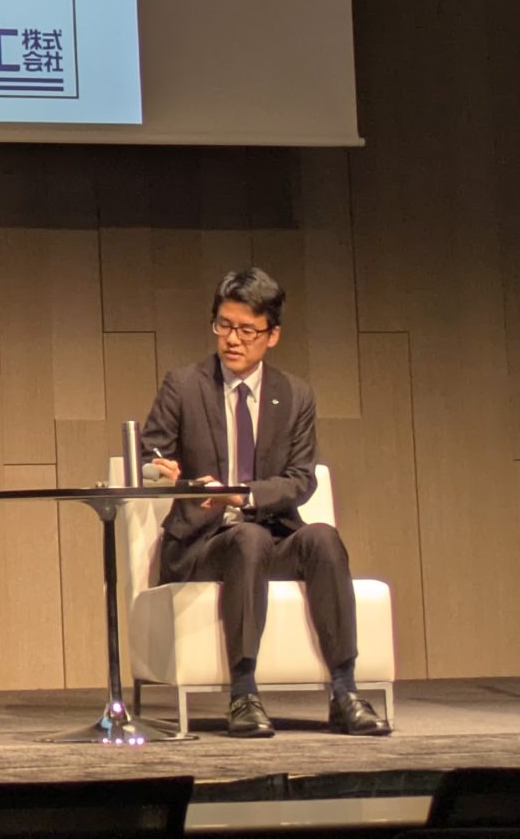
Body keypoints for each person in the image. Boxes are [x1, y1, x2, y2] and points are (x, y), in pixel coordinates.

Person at [140, 267, 390, 738]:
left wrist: (246, 494)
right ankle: (244, 694)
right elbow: (149, 458)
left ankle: (345, 692)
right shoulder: (184, 385)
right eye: (224, 325)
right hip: (202, 544)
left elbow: (300, 479)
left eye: (247, 330)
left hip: (270, 532)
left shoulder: (294, 395)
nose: (232, 339)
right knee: (247, 538)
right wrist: (166, 472)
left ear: (272, 335)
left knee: (322, 538)